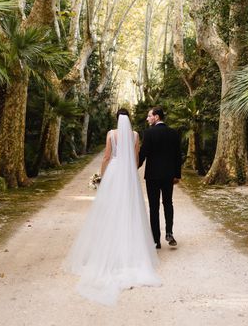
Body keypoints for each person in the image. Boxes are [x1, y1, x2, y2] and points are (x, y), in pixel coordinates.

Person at [65, 109, 161, 305]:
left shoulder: (111, 134)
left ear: (117, 119)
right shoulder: (134, 135)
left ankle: (108, 250)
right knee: (130, 210)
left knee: (109, 211)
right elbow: (135, 160)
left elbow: (106, 157)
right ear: (129, 120)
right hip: (127, 175)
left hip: (114, 173)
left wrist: (102, 176)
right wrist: (130, 174)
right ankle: (131, 252)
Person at [138, 106, 182, 249]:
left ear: (156, 117)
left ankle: (156, 240)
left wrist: (133, 167)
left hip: (152, 176)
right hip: (168, 175)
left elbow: (143, 154)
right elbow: (178, 156)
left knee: (154, 206)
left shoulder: (149, 133)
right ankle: (169, 232)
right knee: (168, 203)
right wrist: (177, 175)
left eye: (149, 116)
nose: (147, 118)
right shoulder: (174, 133)